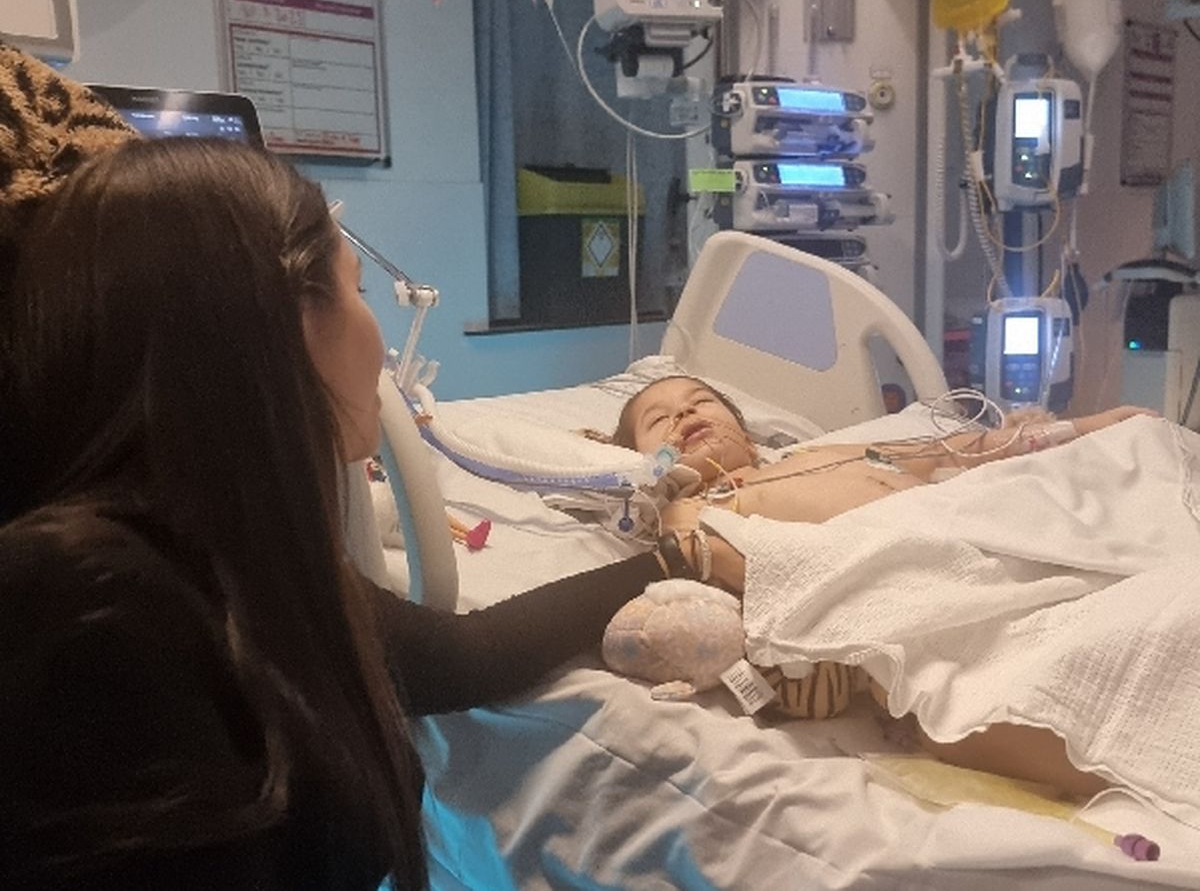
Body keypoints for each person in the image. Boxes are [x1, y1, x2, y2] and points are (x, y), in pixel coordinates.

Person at [0, 137, 675, 890]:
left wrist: (677, 560)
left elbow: (466, 654)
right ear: (288, 322)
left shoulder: (236, 563)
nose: (379, 341)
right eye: (359, 290)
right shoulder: (85, 605)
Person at [610, 375, 1155, 797]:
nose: (684, 414)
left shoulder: (820, 455)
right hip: (918, 598)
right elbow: (719, 562)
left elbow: (962, 449)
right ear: (647, 461)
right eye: (660, 420)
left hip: (1002, 535)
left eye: (701, 402)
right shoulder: (693, 509)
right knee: (1008, 694)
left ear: (744, 431)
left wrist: (1085, 427)